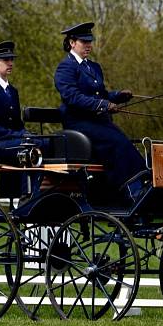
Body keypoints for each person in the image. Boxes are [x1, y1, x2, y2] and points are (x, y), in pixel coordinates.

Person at [54, 22, 147, 201]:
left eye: (90, 42)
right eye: (84, 42)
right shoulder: (66, 67)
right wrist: (102, 105)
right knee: (116, 143)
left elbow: (101, 94)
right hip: (79, 123)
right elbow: (72, 97)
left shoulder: (94, 67)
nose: (88, 45)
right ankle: (129, 191)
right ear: (72, 43)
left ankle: (141, 182)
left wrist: (118, 96)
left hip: (98, 122)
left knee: (127, 143)